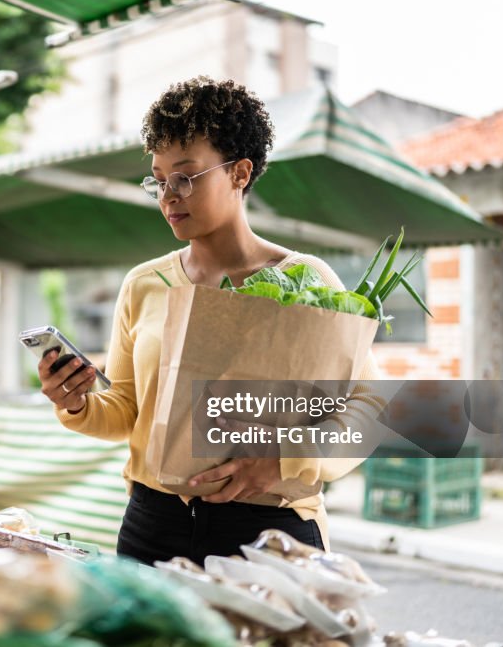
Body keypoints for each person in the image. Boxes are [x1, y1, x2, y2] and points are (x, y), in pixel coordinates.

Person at [38, 76, 381, 566]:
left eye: (186, 176)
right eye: (158, 180)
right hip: (152, 525)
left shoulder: (307, 279)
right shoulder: (144, 284)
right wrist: (74, 402)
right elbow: (126, 412)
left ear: (240, 173)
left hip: (271, 528)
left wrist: (285, 460)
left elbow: (368, 412)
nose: (168, 195)